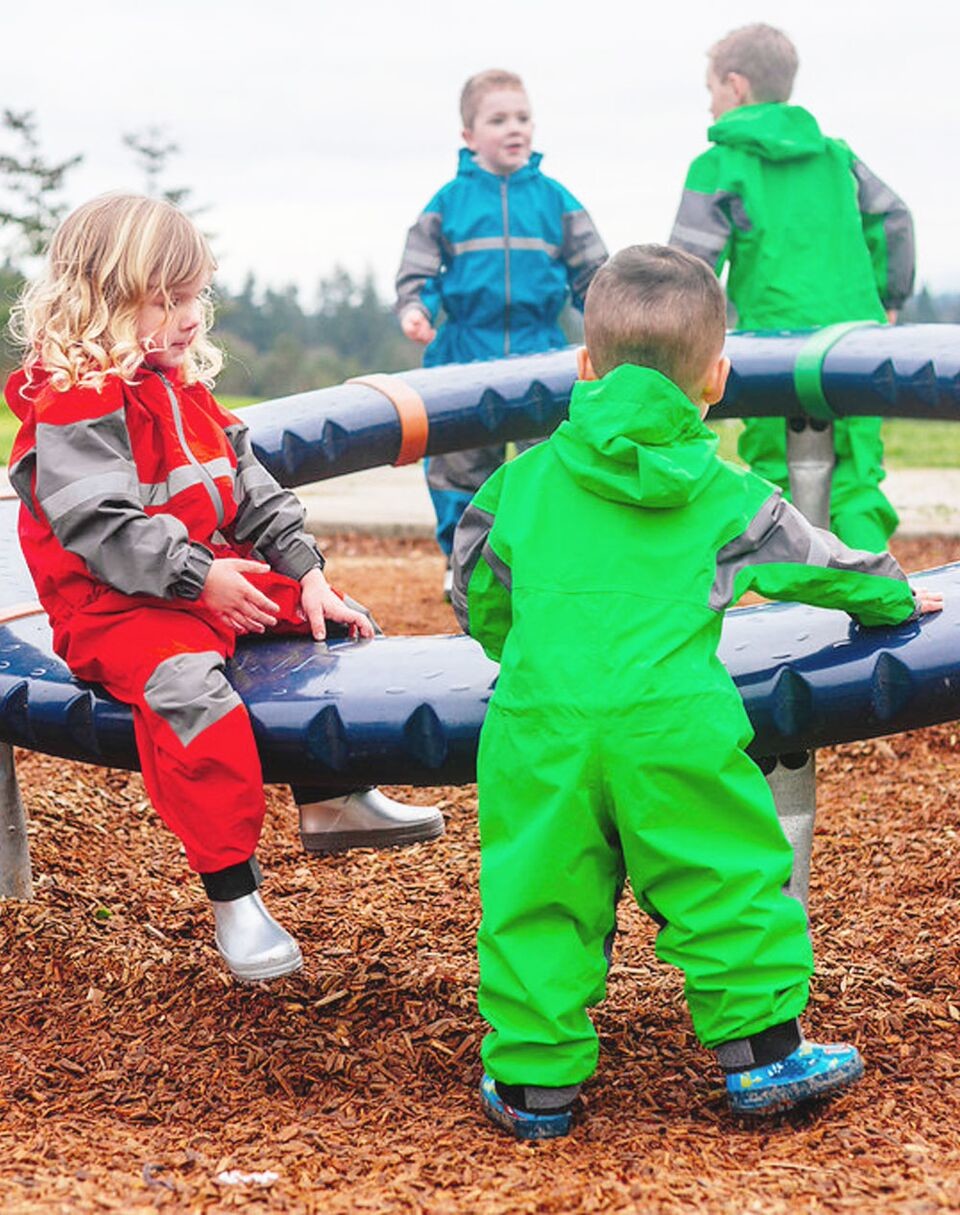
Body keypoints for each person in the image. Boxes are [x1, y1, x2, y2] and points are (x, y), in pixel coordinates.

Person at [451, 245, 941, 1139]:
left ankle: (533, 1088)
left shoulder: (522, 480)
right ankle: (764, 1058)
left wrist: (516, 648)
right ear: (715, 379)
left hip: (538, 726)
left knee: (538, 891)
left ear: (585, 366)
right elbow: (814, 560)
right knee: (724, 878)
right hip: (672, 725)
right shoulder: (721, 490)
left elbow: (478, 582)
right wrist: (894, 592)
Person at [5, 193, 442, 984]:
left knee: (330, 625)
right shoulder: (75, 403)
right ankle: (233, 894)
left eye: (193, 295)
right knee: (190, 695)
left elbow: (250, 484)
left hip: (190, 579)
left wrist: (305, 572)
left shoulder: (181, 387)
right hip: (114, 610)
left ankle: (330, 797)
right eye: (163, 299)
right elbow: (99, 525)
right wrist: (200, 577)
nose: (187, 316)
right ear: (100, 302)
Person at [669, 22, 915, 552]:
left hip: (773, 351)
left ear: (735, 86)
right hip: (857, 344)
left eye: (711, 91)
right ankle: (877, 594)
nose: (710, 107)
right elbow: (894, 219)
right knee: (856, 484)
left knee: (775, 482)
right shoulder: (837, 157)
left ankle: (802, 616)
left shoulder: (717, 165)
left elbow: (689, 271)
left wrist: (681, 349)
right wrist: (889, 300)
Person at [395, 68, 607, 592]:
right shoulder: (448, 203)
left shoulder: (557, 200)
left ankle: (538, 562)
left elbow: (594, 276)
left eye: (523, 117)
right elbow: (420, 269)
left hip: (542, 352)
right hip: (465, 352)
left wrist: (608, 326)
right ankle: (461, 564)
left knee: (545, 463)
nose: (515, 128)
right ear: (469, 137)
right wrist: (415, 308)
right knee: (460, 467)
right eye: (498, 120)